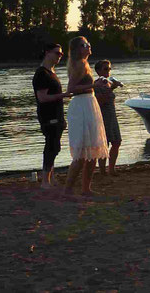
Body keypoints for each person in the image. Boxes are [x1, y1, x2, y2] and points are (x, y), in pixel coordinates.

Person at [62, 36, 109, 196]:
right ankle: (68, 189)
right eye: (84, 45)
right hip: (82, 105)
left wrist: (97, 84)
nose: (89, 46)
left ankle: (85, 188)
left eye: (88, 43)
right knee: (82, 152)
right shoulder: (79, 64)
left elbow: (83, 85)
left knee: (93, 149)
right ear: (77, 49)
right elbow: (71, 89)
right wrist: (94, 85)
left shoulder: (84, 63)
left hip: (88, 103)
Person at [32, 43, 73, 190]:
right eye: (57, 53)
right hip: (48, 116)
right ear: (47, 52)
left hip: (57, 115)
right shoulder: (42, 74)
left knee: (55, 146)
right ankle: (45, 181)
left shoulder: (51, 72)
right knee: (52, 146)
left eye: (61, 54)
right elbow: (42, 98)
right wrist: (64, 95)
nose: (59, 56)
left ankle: (51, 178)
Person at [94, 60, 124, 175]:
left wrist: (113, 87)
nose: (108, 71)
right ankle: (102, 170)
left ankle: (111, 169)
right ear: (98, 71)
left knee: (117, 142)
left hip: (112, 116)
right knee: (104, 144)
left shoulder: (108, 82)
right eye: (105, 69)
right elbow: (98, 101)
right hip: (102, 117)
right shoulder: (97, 84)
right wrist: (110, 90)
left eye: (109, 69)